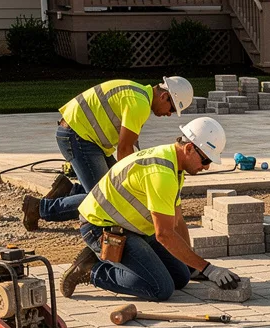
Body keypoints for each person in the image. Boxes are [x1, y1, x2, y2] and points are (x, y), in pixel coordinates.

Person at [60, 117, 240, 302]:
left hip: (131, 227)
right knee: (160, 288)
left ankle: (108, 259)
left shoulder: (173, 164)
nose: (207, 167)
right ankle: (92, 270)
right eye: (206, 159)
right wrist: (208, 268)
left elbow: (177, 221)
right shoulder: (161, 174)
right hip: (100, 226)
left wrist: (195, 266)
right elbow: (164, 234)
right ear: (188, 148)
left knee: (181, 277)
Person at [23, 76, 195, 230]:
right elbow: (124, 149)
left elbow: (127, 143)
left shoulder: (137, 92)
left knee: (113, 188)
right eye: (172, 109)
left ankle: (69, 190)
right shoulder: (139, 104)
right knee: (104, 199)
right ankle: (39, 208)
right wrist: (128, 183)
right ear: (164, 96)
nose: (169, 114)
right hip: (79, 137)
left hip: (86, 138)